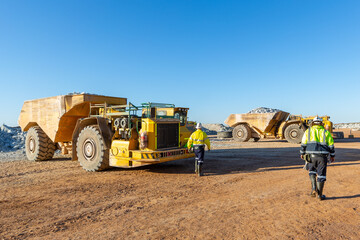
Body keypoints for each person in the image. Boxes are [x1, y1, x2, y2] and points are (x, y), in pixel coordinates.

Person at [300, 116, 335, 200]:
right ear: (321, 123)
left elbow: (303, 143)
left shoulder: (308, 131)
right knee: (321, 175)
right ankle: (320, 195)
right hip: (322, 157)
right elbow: (331, 145)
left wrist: (302, 153)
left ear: (312, 123)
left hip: (310, 156)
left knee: (312, 171)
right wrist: (332, 155)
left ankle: (313, 188)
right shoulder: (326, 132)